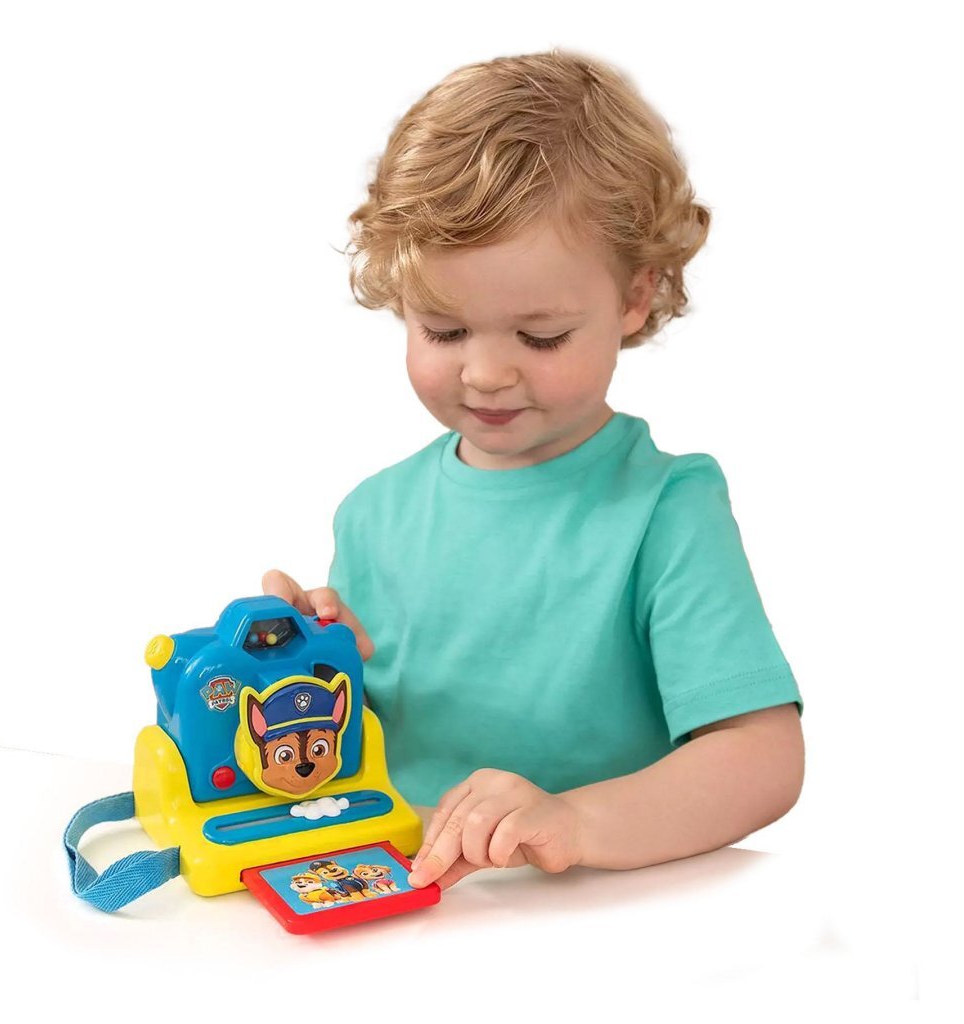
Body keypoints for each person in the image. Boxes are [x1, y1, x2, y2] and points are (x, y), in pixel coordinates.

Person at [262, 48, 804, 892]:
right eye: (444, 330)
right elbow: (349, 761)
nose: (485, 374)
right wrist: (296, 670)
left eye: (540, 336)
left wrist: (576, 823)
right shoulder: (373, 513)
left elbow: (762, 757)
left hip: (599, 914)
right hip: (400, 902)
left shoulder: (665, 510)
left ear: (634, 297)